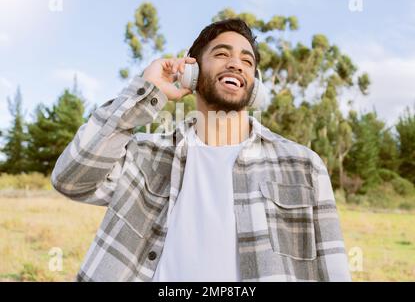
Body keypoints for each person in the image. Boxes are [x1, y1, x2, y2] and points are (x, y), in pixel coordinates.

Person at [51, 18, 351, 282]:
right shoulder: (144, 155)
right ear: (191, 72)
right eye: (222, 54)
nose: (236, 64)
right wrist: (146, 91)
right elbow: (71, 180)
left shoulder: (302, 165)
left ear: (255, 86)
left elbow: (333, 270)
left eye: (247, 61)